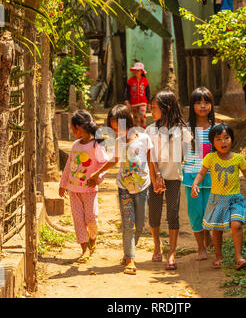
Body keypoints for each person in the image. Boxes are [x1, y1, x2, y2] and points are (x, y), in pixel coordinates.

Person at [191, 123, 246, 270]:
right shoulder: (210, 158)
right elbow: (201, 173)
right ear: (213, 143)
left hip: (234, 199)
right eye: (218, 139)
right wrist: (196, 184)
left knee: (236, 225)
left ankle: (238, 257)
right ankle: (219, 257)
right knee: (217, 230)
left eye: (226, 138)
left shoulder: (238, 158)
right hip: (217, 199)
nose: (223, 142)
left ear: (232, 139)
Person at [87, 104, 153, 275]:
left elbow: (151, 161)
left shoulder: (144, 139)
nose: (118, 132)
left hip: (142, 187)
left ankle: (128, 251)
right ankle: (130, 259)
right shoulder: (118, 142)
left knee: (139, 225)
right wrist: (97, 172)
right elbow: (114, 160)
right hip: (123, 187)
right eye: (114, 129)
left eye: (120, 128)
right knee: (128, 224)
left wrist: (157, 177)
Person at [145, 90, 190, 270]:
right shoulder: (150, 130)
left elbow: (186, 155)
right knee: (154, 213)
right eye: (151, 108)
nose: (151, 112)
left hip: (173, 179)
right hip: (154, 177)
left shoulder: (182, 131)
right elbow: (150, 156)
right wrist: (155, 175)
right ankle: (157, 245)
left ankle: (171, 252)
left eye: (154, 108)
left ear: (167, 108)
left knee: (173, 213)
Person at [59, 110, 108, 264]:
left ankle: (93, 237)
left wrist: (98, 178)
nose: (72, 131)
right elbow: (68, 165)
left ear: (78, 127)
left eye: (72, 128)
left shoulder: (96, 145)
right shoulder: (75, 145)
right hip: (74, 191)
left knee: (91, 218)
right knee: (78, 221)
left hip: (90, 191)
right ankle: (85, 250)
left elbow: (104, 165)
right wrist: (63, 184)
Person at [182, 87, 216, 261]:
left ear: (211, 105)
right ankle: (200, 247)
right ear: (192, 105)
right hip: (191, 177)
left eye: (206, 102)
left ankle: (208, 234)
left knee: (210, 210)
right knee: (196, 212)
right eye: (198, 102)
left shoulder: (216, 129)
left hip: (212, 177)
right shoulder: (186, 129)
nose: (203, 106)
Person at [124, 62, 150, 128]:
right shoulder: (130, 81)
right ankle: (136, 131)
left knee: (142, 114)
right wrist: (126, 100)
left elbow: (147, 92)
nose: (136, 72)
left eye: (138, 70)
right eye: (135, 70)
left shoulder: (145, 81)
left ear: (141, 71)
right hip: (133, 103)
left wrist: (149, 103)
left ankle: (143, 129)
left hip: (143, 102)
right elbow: (127, 91)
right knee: (135, 118)